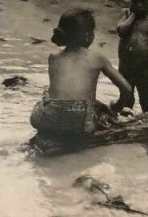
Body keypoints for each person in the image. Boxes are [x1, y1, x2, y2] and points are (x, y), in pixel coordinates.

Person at [30, 8, 134, 140]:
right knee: (99, 111)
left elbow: (64, 93)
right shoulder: (97, 58)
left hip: (50, 120)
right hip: (81, 124)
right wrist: (115, 107)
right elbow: (127, 88)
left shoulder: (53, 58)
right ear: (87, 36)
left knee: (44, 98)